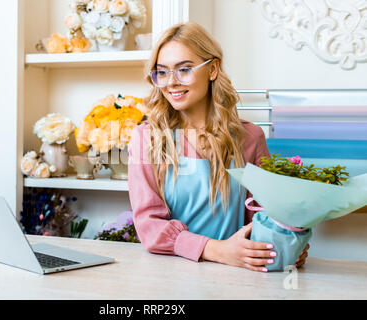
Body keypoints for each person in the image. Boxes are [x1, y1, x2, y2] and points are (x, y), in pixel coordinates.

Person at [127, 22, 309, 272]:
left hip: (235, 274)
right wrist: (216, 250)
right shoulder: (147, 138)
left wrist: (282, 243)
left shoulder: (250, 137)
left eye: (184, 69)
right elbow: (149, 226)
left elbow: (261, 216)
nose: (172, 82)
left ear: (212, 69)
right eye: (163, 72)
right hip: (170, 272)